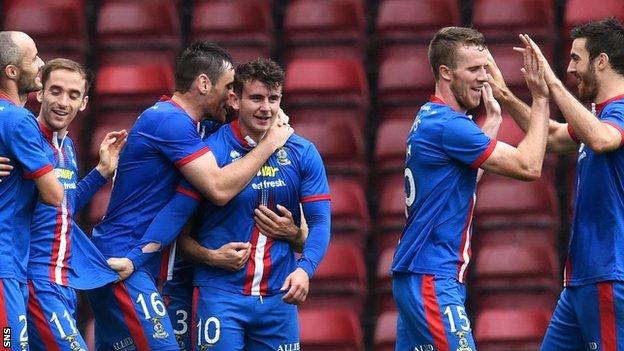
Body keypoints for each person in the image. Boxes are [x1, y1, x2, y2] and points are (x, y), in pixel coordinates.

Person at [86, 41, 292, 350]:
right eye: (228, 87)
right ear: (204, 83)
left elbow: (248, 116)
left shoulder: (194, 125)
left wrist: (269, 112)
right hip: (123, 258)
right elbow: (219, 189)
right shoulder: (169, 121)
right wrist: (271, 141)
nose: (232, 97)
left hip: (138, 259)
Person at [391, 26, 551, 350]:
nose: (484, 78)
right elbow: (529, 165)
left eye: (486, 69)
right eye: (475, 69)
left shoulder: (429, 116)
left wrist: (492, 121)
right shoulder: (450, 126)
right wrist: (542, 99)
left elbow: (459, 180)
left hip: (418, 274)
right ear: (446, 72)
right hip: (432, 278)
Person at [487, 17, 624, 350]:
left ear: (601, 62)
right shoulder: (599, 115)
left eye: (576, 58)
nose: (570, 68)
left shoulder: (618, 112)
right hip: (581, 280)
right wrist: (503, 92)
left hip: (610, 275)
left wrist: (553, 85)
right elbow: (550, 134)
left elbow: (604, 140)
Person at [24, 58, 127, 350]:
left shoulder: (66, 145)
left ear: (84, 103)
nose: (63, 102)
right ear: (40, 93)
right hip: (37, 283)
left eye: (73, 95)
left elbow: (63, 207)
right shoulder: (26, 140)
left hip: (63, 284)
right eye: (55, 91)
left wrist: (100, 173)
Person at [0, 31, 64, 350]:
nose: (41, 63)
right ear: (12, 71)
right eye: (34, 58)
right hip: (5, 263)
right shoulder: (19, 120)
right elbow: (55, 195)